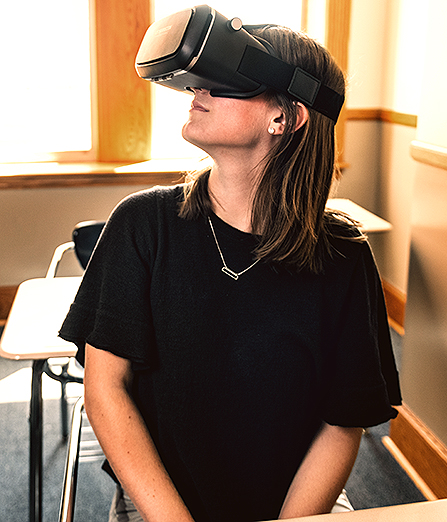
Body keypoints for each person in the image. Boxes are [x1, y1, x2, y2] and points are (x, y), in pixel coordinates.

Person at [59, 18, 401, 522]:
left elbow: (343, 421)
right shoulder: (144, 224)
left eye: (222, 82)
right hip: (159, 501)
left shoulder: (343, 256)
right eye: (197, 78)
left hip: (297, 502)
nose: (196, 89)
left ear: (284, 118)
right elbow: (105, 387)